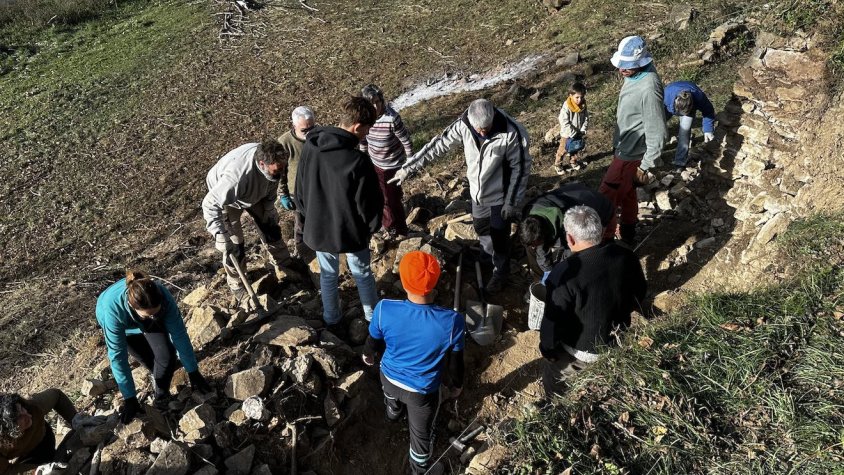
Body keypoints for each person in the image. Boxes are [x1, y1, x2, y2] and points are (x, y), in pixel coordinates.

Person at [389, 98, 532, 293]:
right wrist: (409, 167)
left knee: (499, 234)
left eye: (486, 127)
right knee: (481, 227)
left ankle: (501, 271)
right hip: (477, 192)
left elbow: (520, 169)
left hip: (501, 195)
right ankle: (485, 258)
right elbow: (438, 144)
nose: (483, 132)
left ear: (493, 116)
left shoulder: (512, 132)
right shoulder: (464, 124)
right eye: (479, 129)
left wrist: (511, 202)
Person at [362, 251, 464, 475]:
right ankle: (419, 471)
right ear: (435, 281)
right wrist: (456, 385)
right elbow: (456, 362)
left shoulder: (384, 308)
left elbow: (372, 344)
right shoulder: (452, 321)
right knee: (420, 436)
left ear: (403, 281)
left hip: (388, 378)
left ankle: (393, 413)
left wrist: (367, 356)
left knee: (391, 396)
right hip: (422, 393)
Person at [294, 96, 383, 327]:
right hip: (351, 232)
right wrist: (371, 228)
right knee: (362, 274)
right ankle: (372, 322)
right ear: (357, 127)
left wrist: (307, 216)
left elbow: (300, 188)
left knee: (328, 275)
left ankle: (331, 319)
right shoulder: (357, 161)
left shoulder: (311, 147)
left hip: (319, 228)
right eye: (367, 129)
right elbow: (369, 203)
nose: (367, 134)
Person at [539, 206, 647, 397]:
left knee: (553, 378)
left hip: (581, 350)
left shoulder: (563, 273)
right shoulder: (625, 254)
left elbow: (552, 321)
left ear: (570, 238)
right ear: (601, 230)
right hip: (618, 339)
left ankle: (555, 407)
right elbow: (640, 293)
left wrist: (548, 349)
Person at [96, 270, 211, 423]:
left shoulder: (161, 296)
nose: (154, 318)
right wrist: (130, 398)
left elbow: (179, 335)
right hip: (120, 322)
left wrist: (193, 371)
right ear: (132, 306)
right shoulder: (113, 313)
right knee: (149, 360)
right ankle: (158, 389)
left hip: (145, 311)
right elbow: (118, 358)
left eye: (156, 313)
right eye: (149, 315)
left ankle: (161, 397)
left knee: (167, 356)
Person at [202, 139, 296, 296]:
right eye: (276, 171)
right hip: (227, 201)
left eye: (282, 169)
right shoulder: (236, 178)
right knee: (234, 244)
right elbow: (209, 204)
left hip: (255, 193)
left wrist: (268, 208)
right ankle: (237, 283)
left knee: (270, 226)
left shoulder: (277, 165)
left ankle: (284, 264)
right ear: (261, 164)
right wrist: (219, 234)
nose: (281, 173)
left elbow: (272, 185)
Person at [599, 35, 667, 245]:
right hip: (625, 145)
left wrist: (646, 166)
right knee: (627, 193)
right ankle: (628, 233)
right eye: (621, 65)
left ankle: (605, 241)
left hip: (631, 153)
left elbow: (658, 130)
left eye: (628, 66)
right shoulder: (637, 75)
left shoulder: (648, 88)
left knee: (606, 197)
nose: (622, 70)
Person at [519, 182, 614, 282]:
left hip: (601, 208)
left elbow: (574, 249)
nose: (534, 247)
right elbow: (540, 245)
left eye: (536, 244)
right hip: (575, 193)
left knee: (592, 250)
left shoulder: (568, 222)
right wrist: (547, 270)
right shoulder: (530, 214)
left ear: (544, 234)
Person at [360, 84, 413, 239]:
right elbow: (363, 141)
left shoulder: (391, 118)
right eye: (371, 103)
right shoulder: (366, 119)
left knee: (391, 199)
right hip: (374, 163)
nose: (376, 106)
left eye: (378, 101)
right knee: (380, 197)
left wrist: (410, 164)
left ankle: (400, 230)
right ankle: (389, 225)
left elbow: (406, 141)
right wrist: (363, 160)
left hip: (392, 165)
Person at [0, 389, 77, 475]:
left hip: (44, 439)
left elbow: (56, 395)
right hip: (26, 458)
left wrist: (76, 420)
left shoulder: (32, 406)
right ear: (9, 430)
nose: (28, 414)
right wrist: (36, 470)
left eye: (22, 409)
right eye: (22, 417)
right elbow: (6, 471)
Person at [277, 106, 316, 258]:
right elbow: (280, 172)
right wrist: (283, 193)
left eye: (312, 128)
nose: (309, 133)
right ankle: (304, 255)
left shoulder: (319, 136)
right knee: (301, 225)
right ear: (294, 126)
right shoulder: (284, 143)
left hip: (318, 188)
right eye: (304, 130)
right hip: (297, 193)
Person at [663, 81, 717, 171]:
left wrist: (708, 129)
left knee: (684, 131)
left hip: (686, 107)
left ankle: (680, 163)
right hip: (667, 107)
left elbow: (708, 111)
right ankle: (654, 154)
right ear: (676, 100)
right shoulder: (666, 94)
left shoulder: (699, 97)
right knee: (659, 128)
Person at [554, 82, 589, 175]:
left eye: (581, 97)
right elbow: (564, 121)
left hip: (579, 132)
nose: (579, 99)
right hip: (567, 134)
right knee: (562, 150)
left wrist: (583, 129)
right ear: (571, 95)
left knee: (575, 148)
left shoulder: (583, 105)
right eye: (577, 97)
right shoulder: (567, 106)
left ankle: (573, 162)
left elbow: (586, 117)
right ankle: (558, 165)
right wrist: (573, 133)